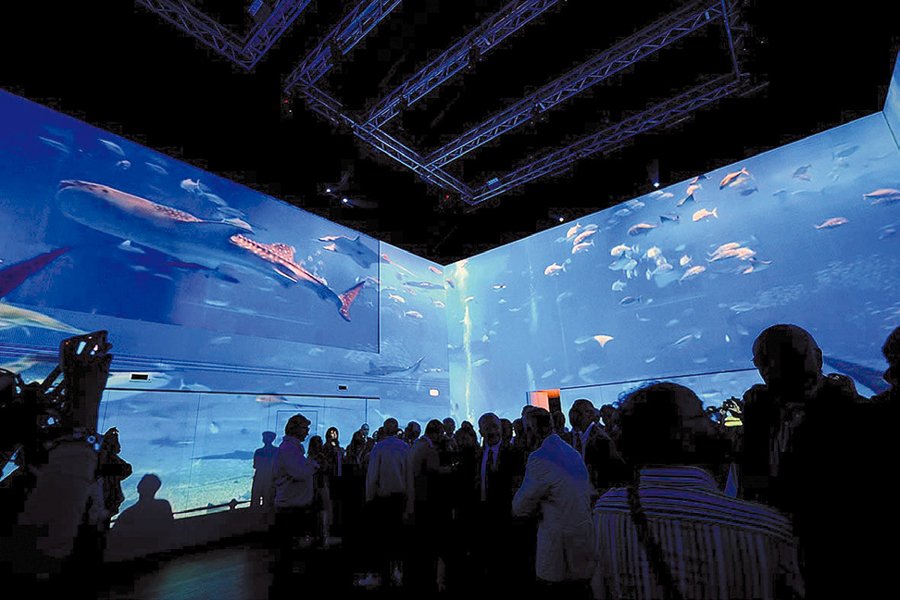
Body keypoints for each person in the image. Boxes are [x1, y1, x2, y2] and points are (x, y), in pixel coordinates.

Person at [593, 382, 803, 600]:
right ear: (682, 435)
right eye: (703, 414)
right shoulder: (769, 530)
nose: (714, 422)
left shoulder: (606, 510)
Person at [741, 324, 862, 597]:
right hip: (773, 554)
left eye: (789, 356)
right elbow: (752, 480)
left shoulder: (853, 413)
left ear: (818, 358)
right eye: (764, 361)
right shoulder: (759, 412)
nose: (774, 368)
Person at [512, 407, 595, 596]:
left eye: (525, 430)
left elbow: (519, 507)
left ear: (532, 430)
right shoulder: (572, 452)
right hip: (582, 545)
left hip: (558, 553)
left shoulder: (539, 458)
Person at [272, 414, 318, 576]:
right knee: (292, 549)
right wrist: (313, 465)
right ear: (296, 428)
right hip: (292, 508)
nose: (307, 432)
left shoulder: (291, 449)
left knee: (291, 549)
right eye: (305, 428)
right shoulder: (290, 449)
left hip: (293, 505)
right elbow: (299, 472)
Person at [365, 417, 409, 587]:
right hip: (400, 499)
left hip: (382, 499)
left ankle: (381, 574)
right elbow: (409, 476)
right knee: (398, 537)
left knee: (381, 538)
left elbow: (372, 475)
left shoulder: (379, 447)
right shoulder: (404, 447)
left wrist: (369, 497)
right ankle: (397, 572)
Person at [569, 398, 627, 498]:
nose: (575, 417)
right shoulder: (574, 437)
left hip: (599, 494)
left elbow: (612, 469)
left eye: (578, 413)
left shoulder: (601, 439)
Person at [110, 474, 175, 555]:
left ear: (139, 487)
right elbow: (169, 527)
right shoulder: (164, 505)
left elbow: (116, 536)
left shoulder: (128, 513)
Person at [250, 431, 278, 511]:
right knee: (268, 503)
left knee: (256, 501)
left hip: (260, 478)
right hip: (271, 479)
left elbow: (255, 465)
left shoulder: (258, 451)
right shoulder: (277, 451)